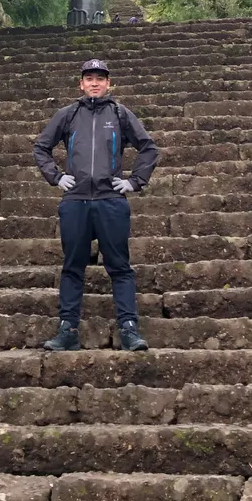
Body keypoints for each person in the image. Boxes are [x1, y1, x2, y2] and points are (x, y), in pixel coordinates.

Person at [33, 57, 160, 352]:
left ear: (108, 84)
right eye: (89, 78)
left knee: (120, 267)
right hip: (75, 201)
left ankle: (129, 329)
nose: (94, 82)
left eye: (100, 78)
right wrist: (56, 177)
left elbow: (148, 147)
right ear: (81, 84)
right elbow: (41, 146)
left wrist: (134, 181)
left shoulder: (120, 113)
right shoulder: (68, 114)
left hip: (110, 200)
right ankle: (68, 330)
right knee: (72, 266)